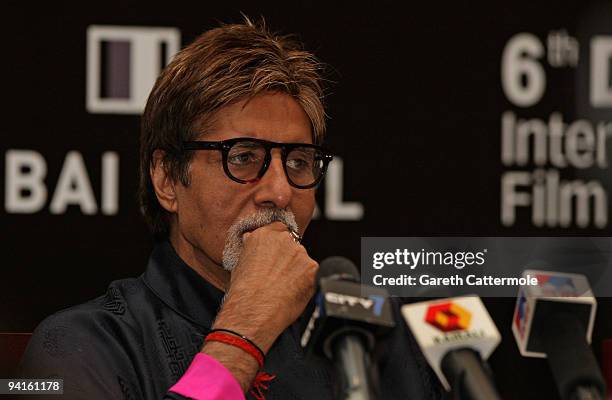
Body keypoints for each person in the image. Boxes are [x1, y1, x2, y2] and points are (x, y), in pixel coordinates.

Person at [19, 18, 445, 400]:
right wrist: (243, 333)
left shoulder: (374, 334)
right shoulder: (86, 344)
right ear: (167, 178)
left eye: (297, 161)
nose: (279, 192)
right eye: (242, 157)